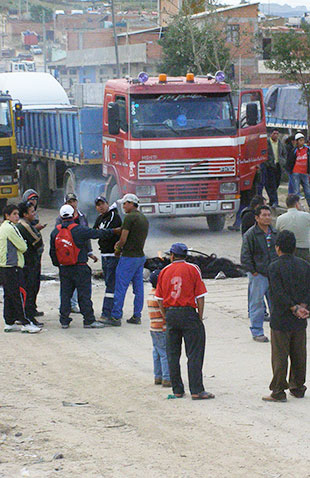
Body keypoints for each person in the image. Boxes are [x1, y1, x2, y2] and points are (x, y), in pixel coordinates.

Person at [155, 243, 214, 400]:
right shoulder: (193, 269)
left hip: (171, 314)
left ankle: (177, 390)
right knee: (194, 353)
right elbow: (200, 296)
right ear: (186, 255)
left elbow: (159, 299)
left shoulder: (164, 271)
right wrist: (199, 317)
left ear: (172, 256)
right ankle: (196, 390)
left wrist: (165, 316)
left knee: (173, 354)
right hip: (188, 313)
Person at [50, 204, 118, 329]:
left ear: (61, 216)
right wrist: (114, 231)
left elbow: (52, 253)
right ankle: (88, 320)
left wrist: (59, 265)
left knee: (65, 295)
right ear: (74, 215)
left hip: (64, 268)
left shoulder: (55, 232)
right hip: (80, 267)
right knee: (84, 295)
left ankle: (64, 320)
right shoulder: (79, 229)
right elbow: (97, 233)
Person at [263, 230, 310, 402]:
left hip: (281, 318)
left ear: (277, 248)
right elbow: (308, 289)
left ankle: (278, 391)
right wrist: (303, 306)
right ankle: (297, 387)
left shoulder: (274, 267)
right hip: (300, 319)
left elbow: (277, 293)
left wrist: (293, 307)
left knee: (280, 356)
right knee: (299, 354)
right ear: (294, 247)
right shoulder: (304, 265)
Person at [101, 193, 149, 327]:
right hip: (140, 256)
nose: (123, 206)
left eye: (125, 203)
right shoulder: (143, 218)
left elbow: (123, 238)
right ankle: (137, 315)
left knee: (120, 287)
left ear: (131, 203)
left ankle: (116, 317)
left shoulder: (129, 218)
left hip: (128, 257)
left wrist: (118, 248)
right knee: (138, 288)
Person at [0, 204, 41, 333]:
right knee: (19, 294)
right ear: (7, 216)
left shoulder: (4, 227)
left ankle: (9, 321)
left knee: (9, 294)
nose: (17, 216)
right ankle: (25, 322)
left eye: (17, 214)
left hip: (5, 266)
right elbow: (23, 246)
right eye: (14, 214)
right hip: (12, 266)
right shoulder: (10, 228)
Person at [56, 193, 98, 313]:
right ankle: (67, 308)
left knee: (80, 286)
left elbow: (87, 236)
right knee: (67, 287)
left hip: (80, 256)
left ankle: (73, 307)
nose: (72, 204)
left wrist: (89, 252)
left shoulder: (81, 217)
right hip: (67, 256)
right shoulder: (61, 218)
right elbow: (58, 238)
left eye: (74, 201)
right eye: (69, 202)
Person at [241, 205, 277, 342]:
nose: (267, 217)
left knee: (275, 303)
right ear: (257, 218)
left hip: (273, 274)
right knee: (257, 304)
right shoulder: (250, 235)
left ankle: (277, 330)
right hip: (258, 275)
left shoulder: (274, 232)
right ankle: (257, 331)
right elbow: (245, 255)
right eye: (264, 215)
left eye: (269, 215)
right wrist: (253, 271)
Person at [93, 195, 122, 321]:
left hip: (113, 255)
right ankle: (112, 310)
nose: (101, 207)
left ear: (107, 203)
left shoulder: (113, 216)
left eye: (102, 204)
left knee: (111, 285)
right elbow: (94, 232)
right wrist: (101, 232)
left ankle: (107, 313)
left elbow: (105, 232)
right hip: (104, 255)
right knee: (108, 283)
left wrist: (102, 232)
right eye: (98, 205)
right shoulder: (100, 218)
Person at [16, 202, 44, 327]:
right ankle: (29, 317)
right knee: (30, 289)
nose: (34, 214)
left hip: (28, 262)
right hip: (29, 262)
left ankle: (28, 314)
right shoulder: (25, 226)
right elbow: (37, 242)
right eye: (32, 212)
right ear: (25, 214)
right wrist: (37, 232)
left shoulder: (26, 225)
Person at [22, 189, 46, 318]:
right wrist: (34, 229)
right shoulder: (24, 221)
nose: (33, 201)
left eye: (35, 199)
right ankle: (27, 311)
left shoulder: (34, 216)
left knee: (35, 283)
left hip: (37, 256)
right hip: (29, 258)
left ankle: (32, 307)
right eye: (31, 199)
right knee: (29, 285)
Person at [148, 269, 171, 388]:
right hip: (161, 327)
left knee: (156, 351)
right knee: (165, 353)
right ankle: (167, 378)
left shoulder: (150, 293)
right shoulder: (159, 295)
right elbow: (164, 311)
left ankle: (158, 376)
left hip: (153, 327)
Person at [276, 194, 310, 262]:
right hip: (304, 250)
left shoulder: (280, 218)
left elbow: (277, 233)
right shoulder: (307, 216)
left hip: (287, 251)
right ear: (297, 204)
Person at [262, 129, 286, 207]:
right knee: (271, 183)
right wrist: (268, 162)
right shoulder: (267, 143)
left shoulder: (280, 143)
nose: (276, 135)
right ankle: (275, 201)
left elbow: (284, 153)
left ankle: (272, 200)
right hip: (270, 166)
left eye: (277, 134)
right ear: (271, 134)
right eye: (274, 133)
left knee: (277, 183)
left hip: (278, 165)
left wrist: (283, 161)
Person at [286, 132, 310, 208]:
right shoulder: (294, 150)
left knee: (307, 191)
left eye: (303, 140)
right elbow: (290, 161)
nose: (302, 142)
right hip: (296, 172)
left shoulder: (307, 149)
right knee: (296, 191)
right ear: (296, 141)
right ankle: (297, 206)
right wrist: (290, 171)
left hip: (305, 172)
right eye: (300, 140)